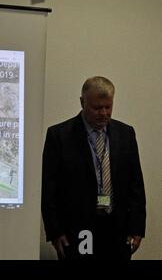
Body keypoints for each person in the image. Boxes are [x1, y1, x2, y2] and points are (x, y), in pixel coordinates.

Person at [41, 76, 146, 260]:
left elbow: (136, 184)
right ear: (82, 102)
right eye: (97, 108)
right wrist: (55, 232)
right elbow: (49, 189)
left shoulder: (126, 134)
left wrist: (137, 229)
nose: (103, 113)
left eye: (108, 107)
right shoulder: (59, 136)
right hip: (78, 228)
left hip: (117, 227)